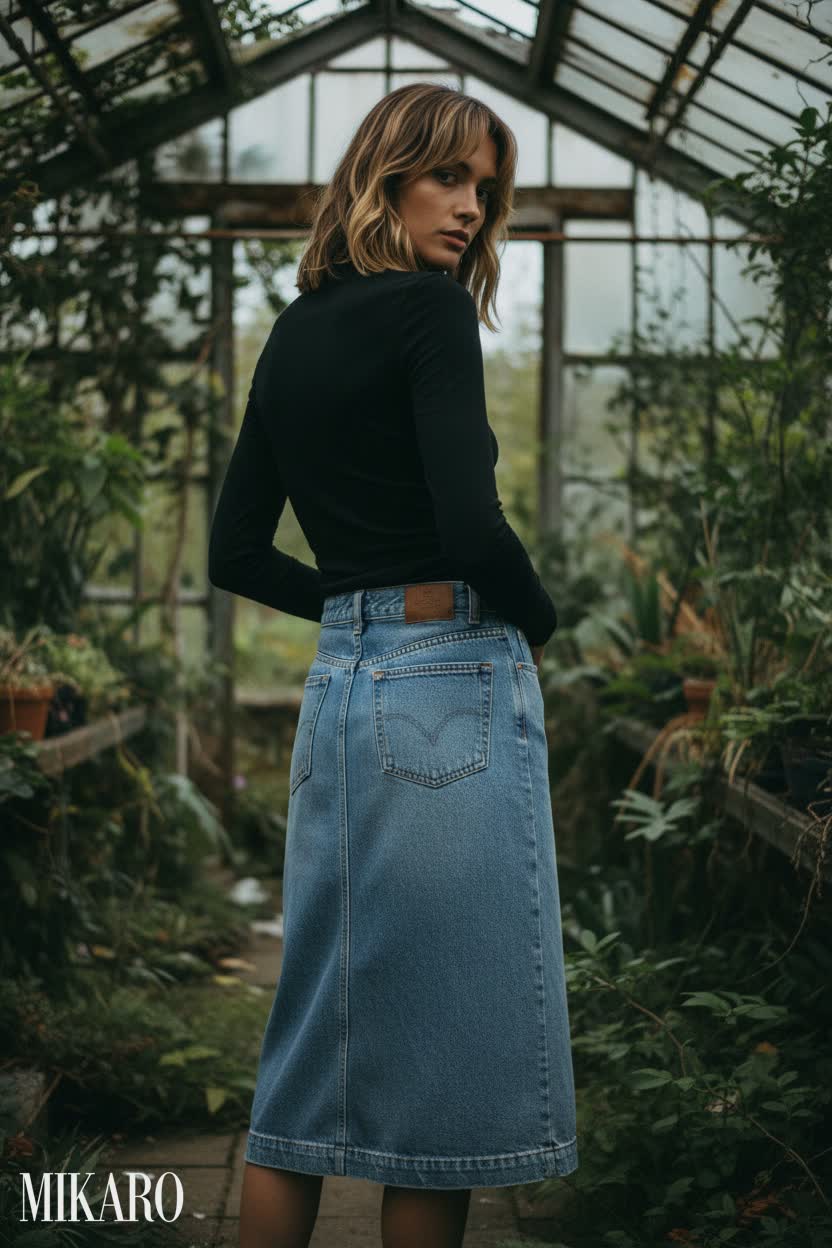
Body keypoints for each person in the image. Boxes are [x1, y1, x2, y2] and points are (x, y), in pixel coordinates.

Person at [208, 81, 578, 1248]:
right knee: (450, 1070)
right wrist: (535, 619)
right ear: (386, 175)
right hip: (450, 682)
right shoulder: (426, 311)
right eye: (447, 177)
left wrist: (353, 606)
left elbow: (233, 550)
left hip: (342, 686)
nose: (469, 207)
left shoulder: (293, 329)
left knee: (314, 1043)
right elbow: (471, 529)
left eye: (484, 188)